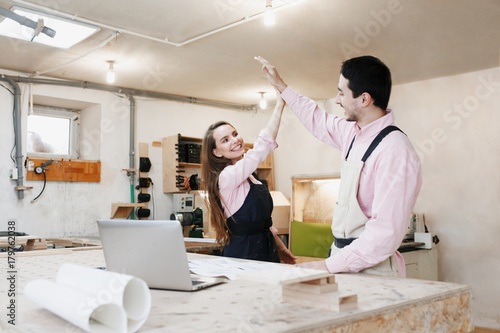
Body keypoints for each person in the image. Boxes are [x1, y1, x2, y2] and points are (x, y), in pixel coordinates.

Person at [255, 55, 422, 277]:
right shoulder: (352, 133)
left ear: (364, 99)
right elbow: (316, 118)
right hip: (342, 261)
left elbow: (384, 235)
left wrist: (327, 266)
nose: (336, 100)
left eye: (342, 93)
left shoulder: (395, 150)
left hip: (375, 270)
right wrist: (282, 87)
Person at [201, 90, 296, 264]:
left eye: (235, 134)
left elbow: (263, 226)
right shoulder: (227, 177)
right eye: (225, 140)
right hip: (243, 255)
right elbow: (261, 148)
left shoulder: (252, 178)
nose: (235, 140)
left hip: (267, 251)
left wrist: (281, 249)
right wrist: (280, 105)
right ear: (216, 152)